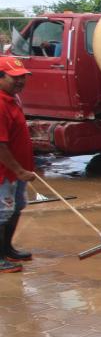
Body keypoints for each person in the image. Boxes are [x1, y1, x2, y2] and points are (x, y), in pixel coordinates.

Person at [0, 57, 36, 274]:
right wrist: (19, 170)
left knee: (16, 208)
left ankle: (8, 249)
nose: (20, 81)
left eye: (23, 76)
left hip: (17, 173)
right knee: (2, 213)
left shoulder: (13, 98)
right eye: (15, 78)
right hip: (5, 172)